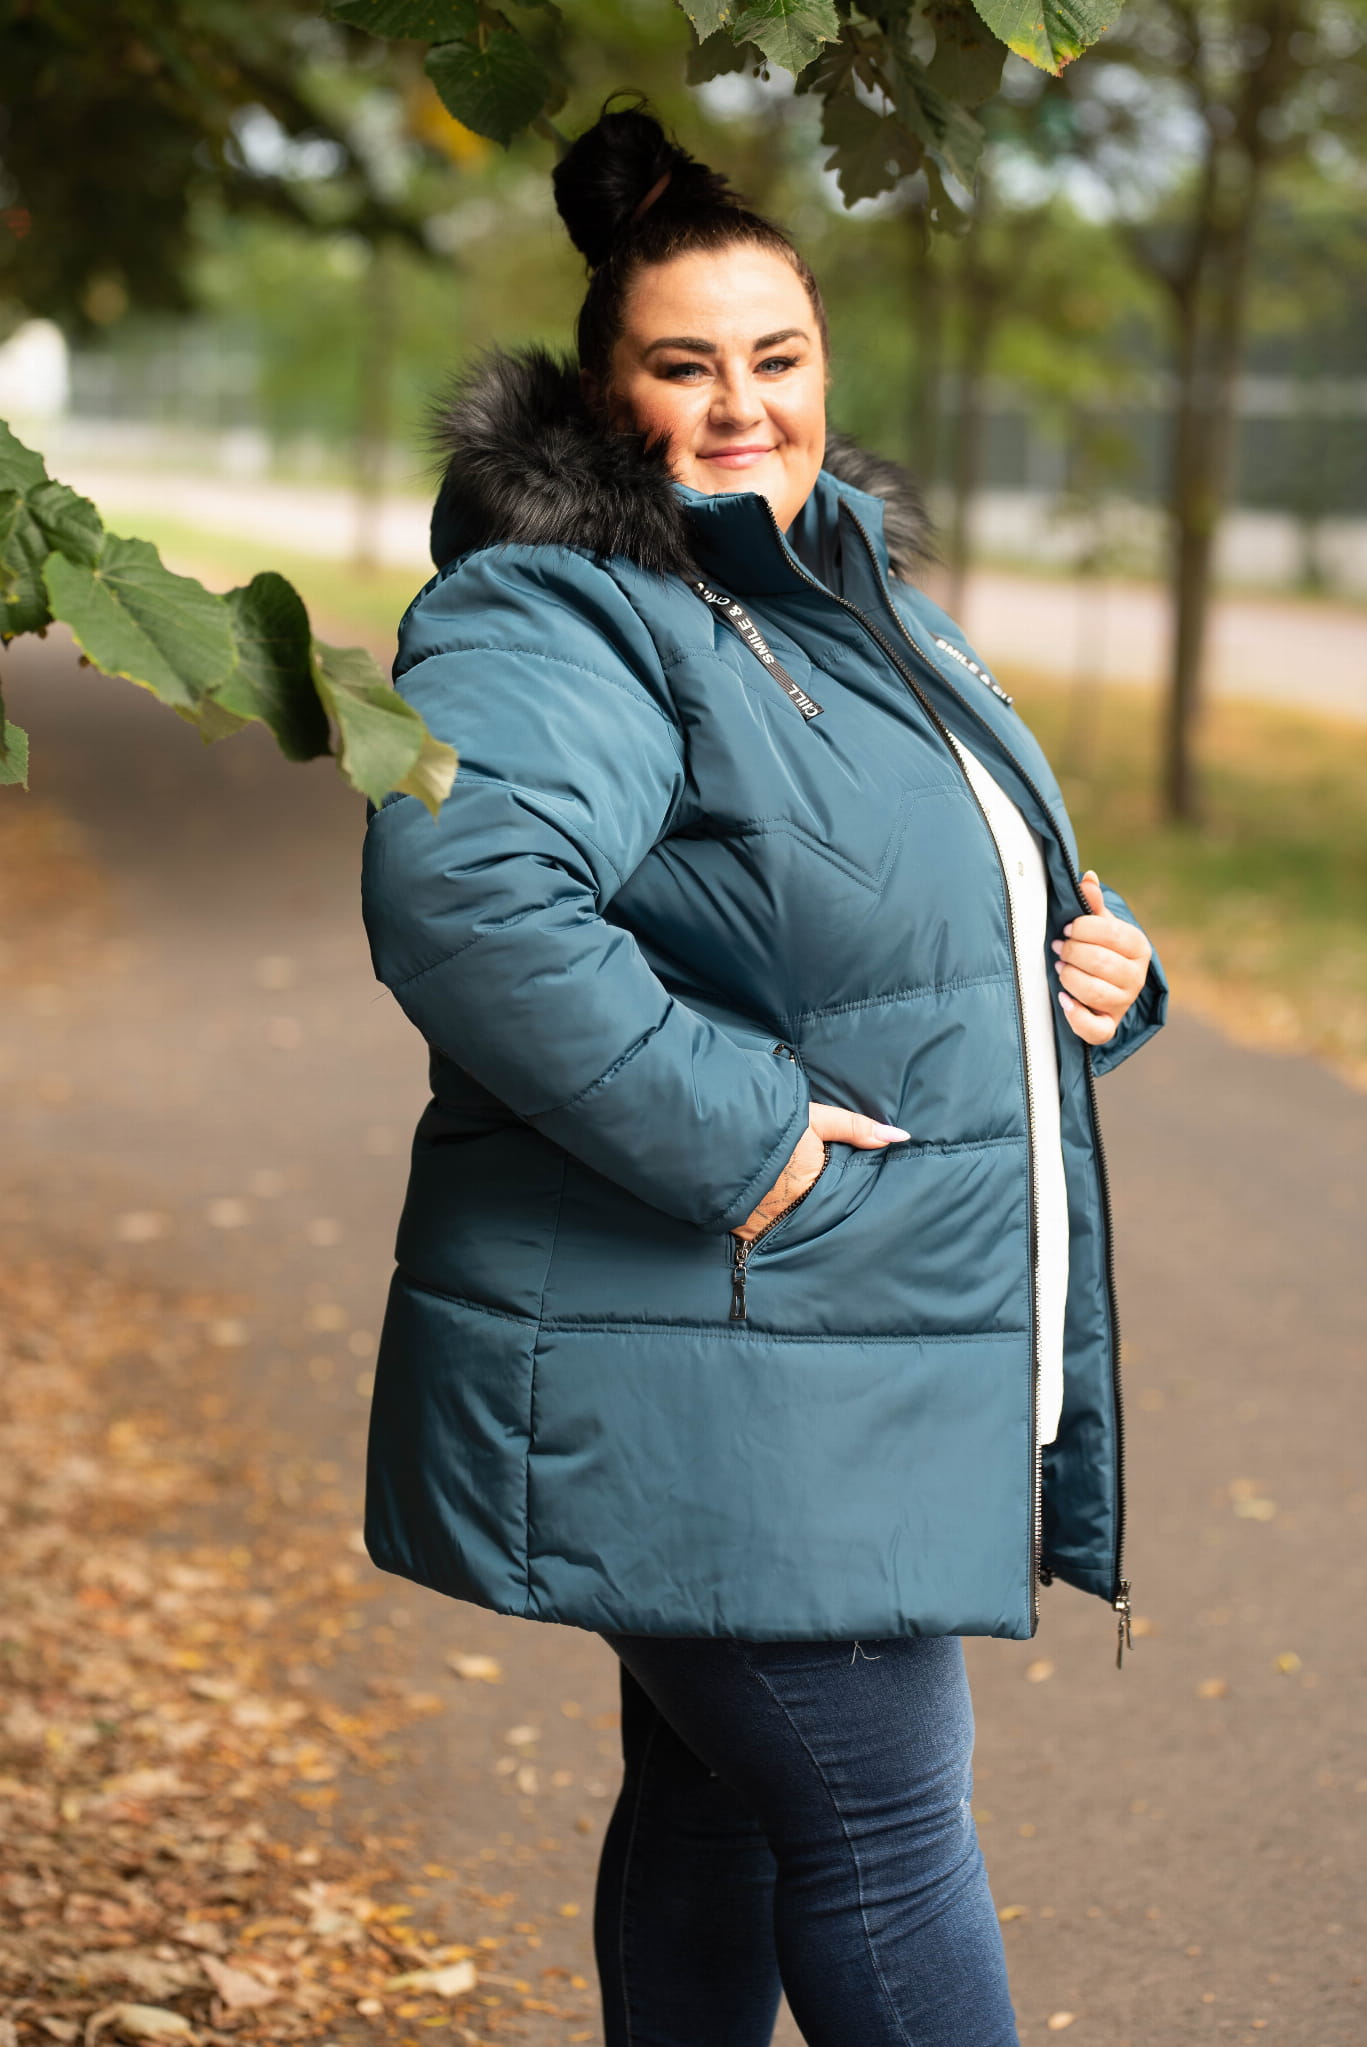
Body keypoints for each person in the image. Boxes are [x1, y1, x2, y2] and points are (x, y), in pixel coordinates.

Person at [360, 101, 1167, 2047]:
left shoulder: (843, 601)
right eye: (685, 365)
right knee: (883, 1824)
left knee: (722, 1806)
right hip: (738, 1327)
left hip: (793, 1346)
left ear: (823, 369)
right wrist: (753, 1146)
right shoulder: (569, 608)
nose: (742, 405)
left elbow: (909, 888)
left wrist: (1101, 967)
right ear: (602, 393)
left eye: (778, 357)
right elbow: (466, 889)